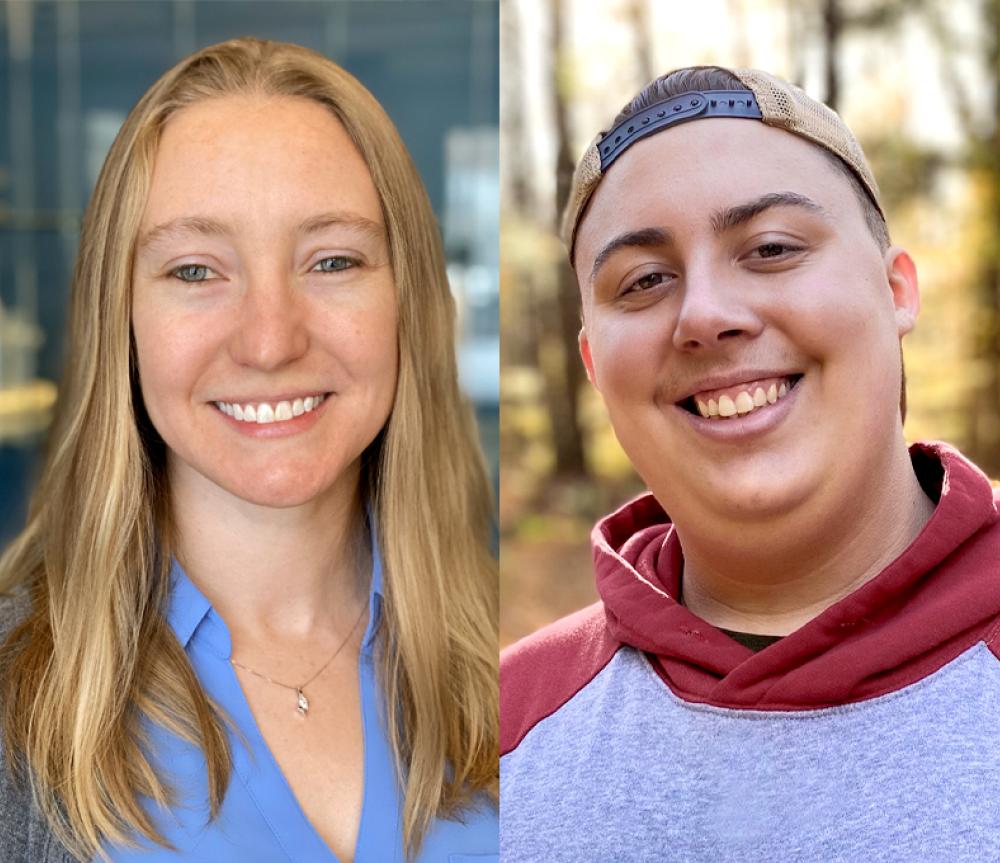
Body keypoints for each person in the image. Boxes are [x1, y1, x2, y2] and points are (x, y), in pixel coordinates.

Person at [0, 38, 498, 863]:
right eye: (196, 270)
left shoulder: (533, 672)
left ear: (408, 300)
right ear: (118, 318)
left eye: (332, 260)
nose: (270, 340)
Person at [500, 65, 1000, 862]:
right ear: (594, 364)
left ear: (897, 288)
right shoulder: (491, 739)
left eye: (770, 248)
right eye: (645, 281)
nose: (705, 314)